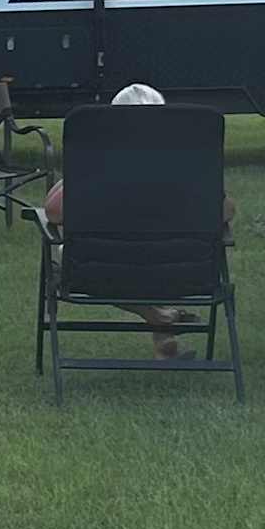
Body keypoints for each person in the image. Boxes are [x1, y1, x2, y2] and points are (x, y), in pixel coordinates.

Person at [41, 84, 220, 359]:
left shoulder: (98, 167)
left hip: (100, 270)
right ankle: (163, 327)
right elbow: (225, 212)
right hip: (183, 271)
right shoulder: (187, 169)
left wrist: (80, 167)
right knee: (148, 261)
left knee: (78, 256)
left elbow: (53, 212)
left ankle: (160, 318)